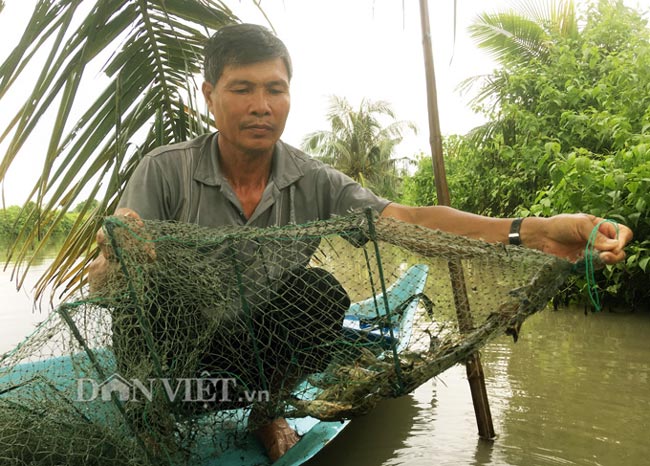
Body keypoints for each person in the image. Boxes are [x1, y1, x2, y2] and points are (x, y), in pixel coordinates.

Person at [88, 23, 632, 462]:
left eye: (275, 89)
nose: (261, 105)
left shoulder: (313, 178)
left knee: (320, 292)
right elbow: (109, 268)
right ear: (210, 96)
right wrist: (116, 260)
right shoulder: (164, 171)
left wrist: (536, 230)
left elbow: (410, 219)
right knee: (148, 296)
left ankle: (265, 408)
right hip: (178, 354)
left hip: (248, 350)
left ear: (288, 96)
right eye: (242, 89)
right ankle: (151, 416)